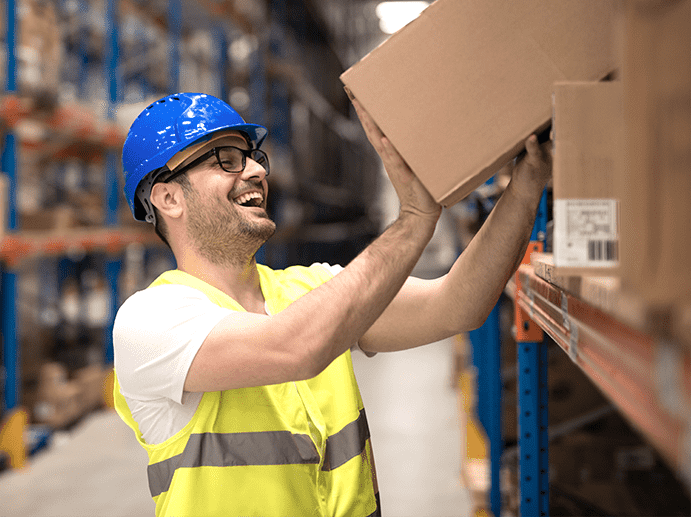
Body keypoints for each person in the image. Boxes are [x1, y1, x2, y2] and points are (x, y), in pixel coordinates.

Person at [112, 92, 551, 517]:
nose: (255, 171)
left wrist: (528, 183)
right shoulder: (149, 323)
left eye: (252, 157)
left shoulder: (312, 289)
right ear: (169, 198)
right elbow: (294, 348)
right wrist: (414, 221)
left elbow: (457, 305)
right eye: (225, 159)